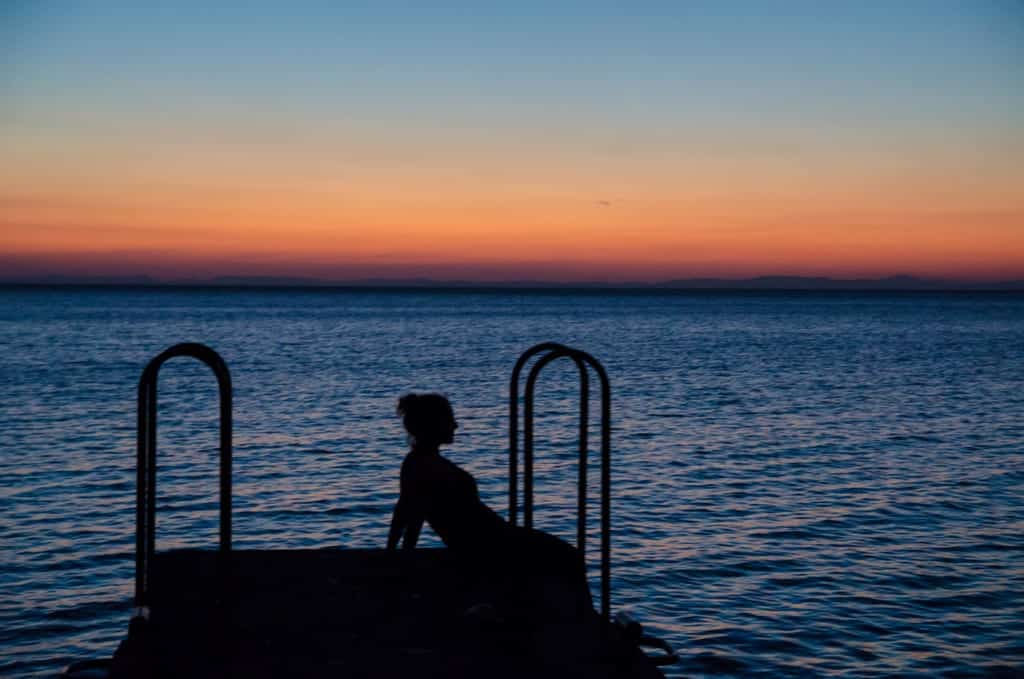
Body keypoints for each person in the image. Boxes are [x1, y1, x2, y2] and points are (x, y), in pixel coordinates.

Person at [386, 393, 593, 619]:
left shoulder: (422, 462)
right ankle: (585, 622)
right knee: (567, 557)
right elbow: (410, 514)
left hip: (494, 538)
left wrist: (395, 553)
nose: (455, 425)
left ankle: (578, 619)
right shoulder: (423, 465)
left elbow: (407, 511)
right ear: (433, 424)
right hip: (489, 543)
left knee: (564, 558)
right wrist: (398, 557)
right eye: (449, 419)